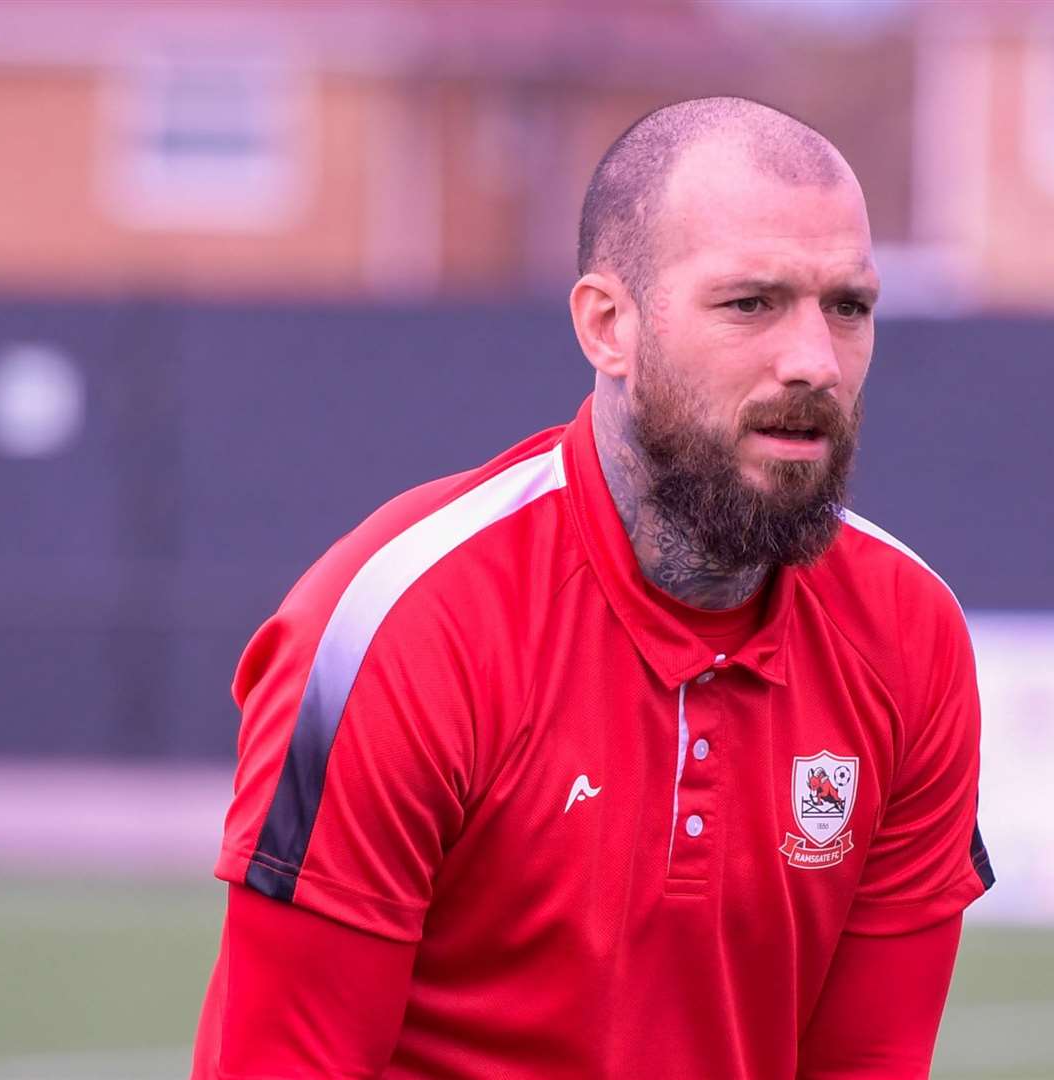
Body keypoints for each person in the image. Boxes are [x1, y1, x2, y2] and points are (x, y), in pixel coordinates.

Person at [191, 95, 992, 1080]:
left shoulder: (911, 637)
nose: (813, 361)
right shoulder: (394, 629)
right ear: (607, 325)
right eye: (750, 303)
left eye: (848, 307)